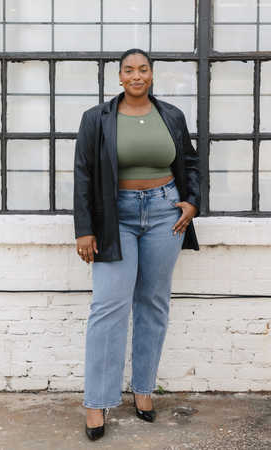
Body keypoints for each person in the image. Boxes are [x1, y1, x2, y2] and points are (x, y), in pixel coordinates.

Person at [74, 48, 202, 441]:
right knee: (108, 306)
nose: (136, 75)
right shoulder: (98, 118)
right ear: (119, 77)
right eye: (128, 70)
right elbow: (83, 173)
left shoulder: (172, 116)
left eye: (142, 69)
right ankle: (97, 402)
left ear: (151, 74)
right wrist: (84, 229)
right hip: (116, 219)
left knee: (153, 303)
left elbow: (190, 164)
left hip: (166, 216)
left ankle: (143, 390)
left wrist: (192, 202)